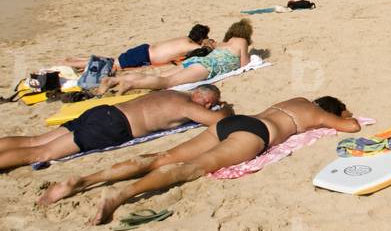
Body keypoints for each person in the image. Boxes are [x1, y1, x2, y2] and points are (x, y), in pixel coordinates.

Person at [37, 96, 360, 224]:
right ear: (328, 107)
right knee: (187, 170)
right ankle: (120, 195)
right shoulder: (317, 113)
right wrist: (341, 116)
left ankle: (85, 180)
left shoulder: (296, 100)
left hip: (230, 123)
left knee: (160, 157)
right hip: (255, 133)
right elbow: (350, 126)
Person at [0, 87, 225, 171]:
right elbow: (217, 121)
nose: (208, 106)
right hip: (112, 125)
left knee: (35, 141)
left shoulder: (172, 93)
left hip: (103, 111)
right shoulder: (185, 105)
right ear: (198, 94)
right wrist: (225, 110)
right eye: (208, 101)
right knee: (41, 153)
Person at [98, 19, 253, 94]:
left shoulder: (221, 43)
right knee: (167, 82)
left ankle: (115, 80)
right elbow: (244, 64)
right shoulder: (242, 41)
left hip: (197, 60)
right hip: (207, 67)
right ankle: (129, 84)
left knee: (163, 74)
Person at [64, 24, 214, 72]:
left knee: (114, 61)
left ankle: (78, 60)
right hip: (144, 56)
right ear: (201, 38)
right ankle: (73, 63)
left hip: (144, 49)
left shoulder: (183, 39)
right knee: (112, 65)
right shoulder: (191, 46)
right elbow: (208, 49)